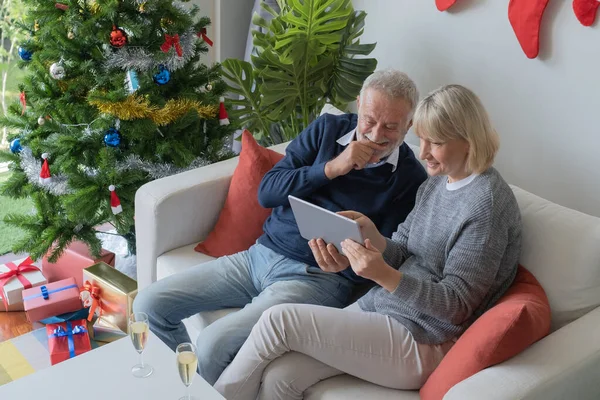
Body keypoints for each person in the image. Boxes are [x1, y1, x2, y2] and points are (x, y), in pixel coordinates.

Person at [213, 84, 523, 399]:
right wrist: (370, 236)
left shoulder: (487, 205)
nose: (423, 152)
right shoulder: (438, 184)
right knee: (282, 375)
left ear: (469, 140)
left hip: (424, 337)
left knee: (279, 320)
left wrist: (380, 274)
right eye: (423, 139)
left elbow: (455, 306)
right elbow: (403, 251)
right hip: (385, 310)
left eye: (436, 142)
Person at [133, 69, 427, 385]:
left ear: (409, 125)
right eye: (369, 120)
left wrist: (349, 264)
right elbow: (268, 192)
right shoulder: (328, 130)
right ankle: (177, 388)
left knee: (214, 343)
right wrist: (332, 168)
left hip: (319, 281)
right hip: (259, 256)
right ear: (358, 105)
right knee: (149, 304)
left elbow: (388, 253)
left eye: (391, 127)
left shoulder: (410, 179)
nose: (376, 134)